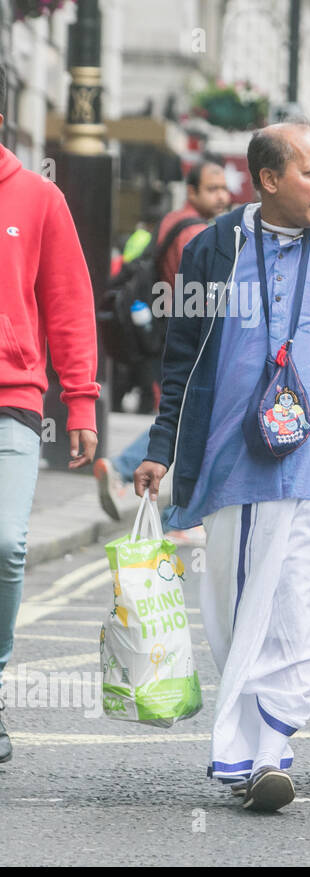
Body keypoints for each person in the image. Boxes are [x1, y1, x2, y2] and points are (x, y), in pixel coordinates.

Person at [133, 122, 310, 812]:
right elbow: (183, 358)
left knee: (308, 600)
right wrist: (160, 447)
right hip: (232, 459)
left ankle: (271, 750)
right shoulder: (213, 247)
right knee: (237, 607)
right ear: (266, 179)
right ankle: (241, 750)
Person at [0, 66, 101, 764]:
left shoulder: (37, 197)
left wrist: (82, 401)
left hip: (14, 399)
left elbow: (67, 305)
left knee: (6, 544)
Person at [95, 156, 232, 528]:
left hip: (161, 333)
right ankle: (128, 470)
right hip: (183, 339)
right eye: (213, 189)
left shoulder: (172, 221)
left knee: (184, 415)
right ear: (192, 191)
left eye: (224, 188)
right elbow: (201, 296)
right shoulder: (196, 233)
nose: (223, 196)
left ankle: (175, 510)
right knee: (188, 416)